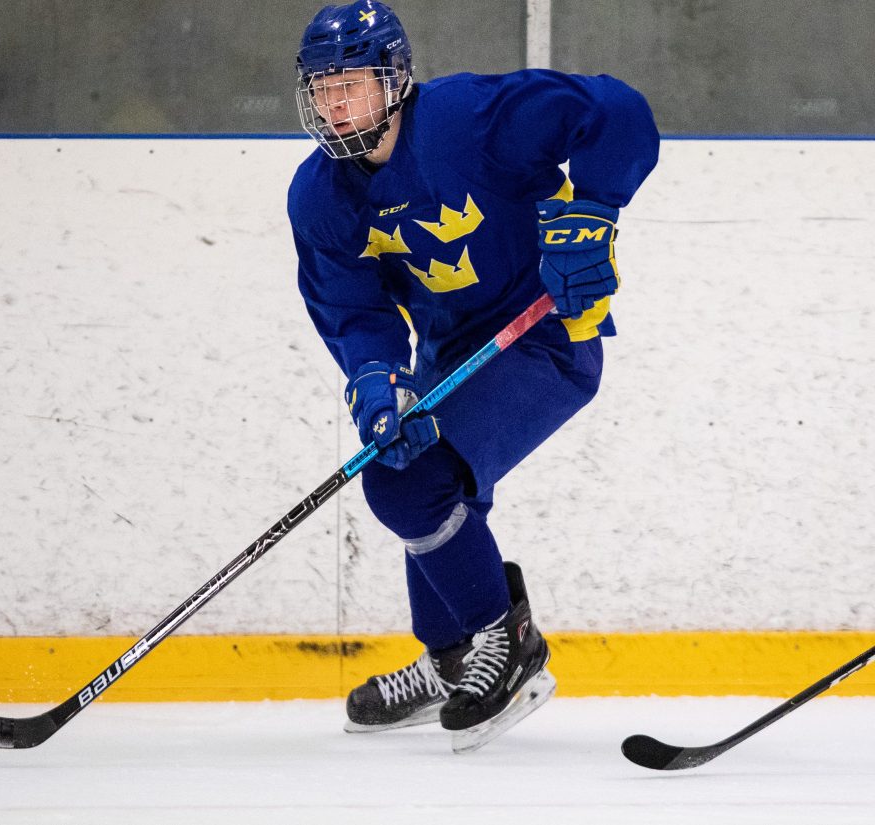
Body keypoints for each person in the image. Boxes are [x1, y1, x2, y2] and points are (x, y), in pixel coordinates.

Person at [287, 1, 659, 753]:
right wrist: (378, 380)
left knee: (405, 486)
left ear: (395, 81)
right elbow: (353, 309)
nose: (334, 105)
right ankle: (452, 653)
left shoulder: (470, 118)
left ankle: (507, 641)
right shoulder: (319, 195)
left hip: (546, 333)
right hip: (451, 353)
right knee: (414, 470)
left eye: (351, 84)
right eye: (322, 89)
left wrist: (593, 210)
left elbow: (616, 110)